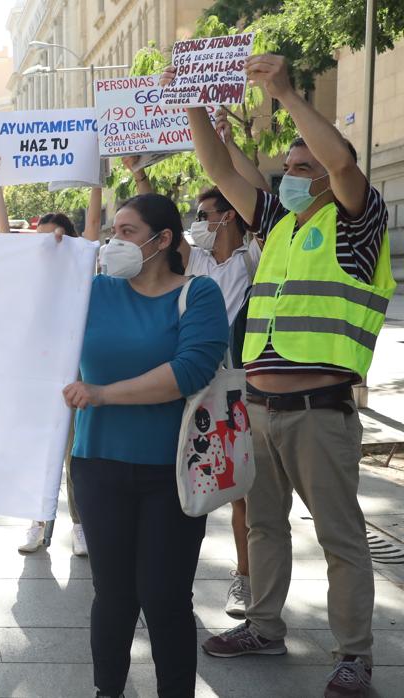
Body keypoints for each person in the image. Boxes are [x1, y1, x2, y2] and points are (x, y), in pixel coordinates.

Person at [180, 55, 392, 698]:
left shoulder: (356, 222)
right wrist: (192, 99)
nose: (292, 176)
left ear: (330, 176)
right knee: (264, 526)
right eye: (289, 167)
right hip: (261, 410)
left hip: (319, 412)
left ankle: (354, 654)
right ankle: (264, 625)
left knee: (340, 538)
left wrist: (285, 93)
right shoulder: (274, 226)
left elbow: (344, 165)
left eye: (305, 167)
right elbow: (219, 167)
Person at [64, 194, 228, 698]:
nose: (116, 242)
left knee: (164, 598)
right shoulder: (93, 290)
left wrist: (102, 394)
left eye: (128, 232)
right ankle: (106, 691)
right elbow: (21, 301)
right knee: (112, 596)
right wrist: (49, 253)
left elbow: (189, 371)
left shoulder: (199, 295)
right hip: (98, 465)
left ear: (163, 241)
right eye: (113, 231)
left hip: (172, 472)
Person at [127, 137, 268, 618]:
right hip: (200, 388)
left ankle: (245, 579)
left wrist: (229, 146)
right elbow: (164, 228)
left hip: (243, 386)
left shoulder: (255, 260)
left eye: (205, 215)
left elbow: (257, 190)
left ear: (227, 216)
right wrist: (140, 175)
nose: (199, 224)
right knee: (196, 478)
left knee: (245, 493)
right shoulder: (198, 261)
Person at [0, 151, 102, 557]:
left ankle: (81, 525)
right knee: (41, 449)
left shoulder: (79, 266)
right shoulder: (28, 271)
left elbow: (91, 228)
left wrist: (96, 175)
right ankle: (37, 522)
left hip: (75, 372)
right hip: (35, 374)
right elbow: (2, 235)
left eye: (53, 238)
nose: (45, 245)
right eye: (39, 238)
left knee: (73, 453)